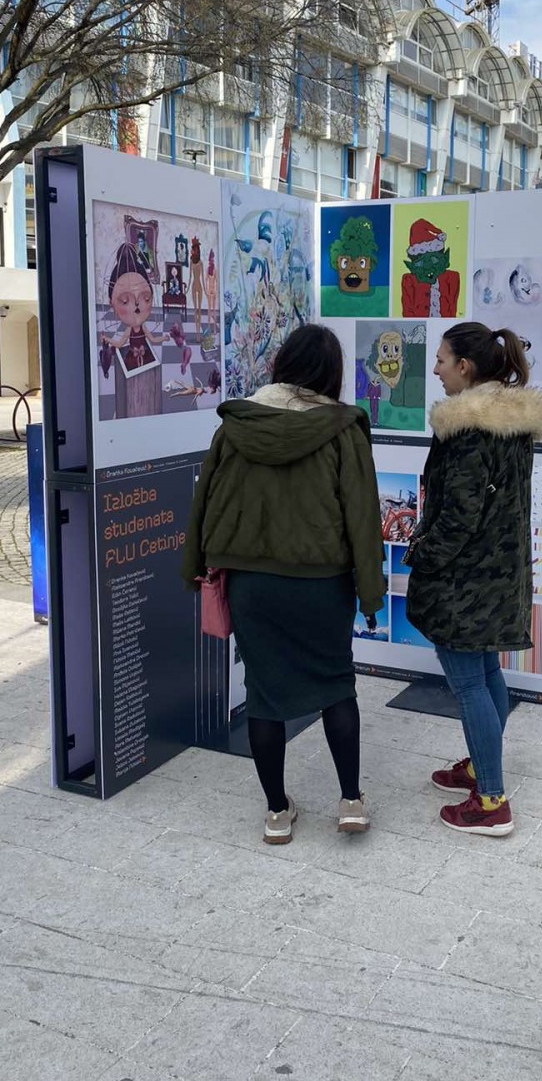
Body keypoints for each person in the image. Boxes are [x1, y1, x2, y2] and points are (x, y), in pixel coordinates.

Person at [182, 325, 385, 845]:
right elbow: (362, 517)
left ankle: (276, 813)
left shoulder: (236, 424)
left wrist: (194, 567)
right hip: (322, 582)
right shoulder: (344, 430)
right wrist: (369, 594)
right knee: (337, 686)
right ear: (331, 374)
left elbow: (204, 502)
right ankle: (351, 803)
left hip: (251, 584)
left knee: (263, 696)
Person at [404, 323, 542, 836]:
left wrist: (422, 557)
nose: (437, 368)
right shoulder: (512, 422)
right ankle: (478, 763)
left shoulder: (468, 430)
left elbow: (458, 517)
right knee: (487, 673)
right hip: (500, 572)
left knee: (469, 683)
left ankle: (491, 800)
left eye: (442, 359)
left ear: (465, 368)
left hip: (465, 580)